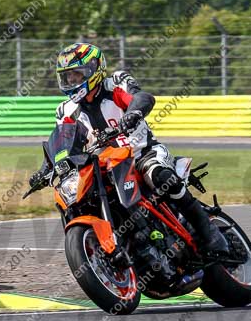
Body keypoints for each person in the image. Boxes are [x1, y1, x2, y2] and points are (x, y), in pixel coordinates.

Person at [29, 42, 229, 255]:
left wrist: (133, 113)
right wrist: (46, 168)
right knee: (80, 198)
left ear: (94, 69)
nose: (72, 81)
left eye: (77, 75)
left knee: (161, 177)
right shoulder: (65, 110)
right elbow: (62, 141)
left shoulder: (115, 84)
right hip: (104, 165)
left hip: (142, 153)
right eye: (68, 77)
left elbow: (142, 98)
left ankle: (209, 234)